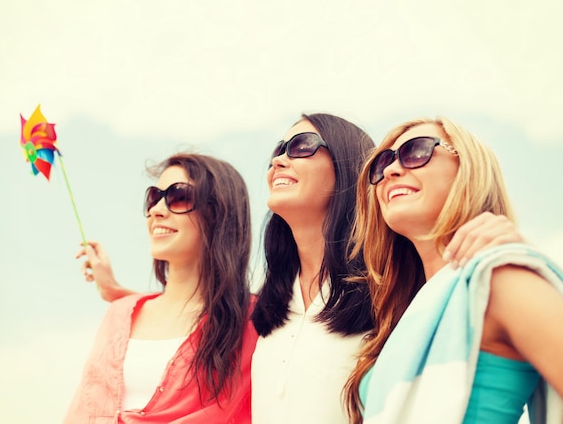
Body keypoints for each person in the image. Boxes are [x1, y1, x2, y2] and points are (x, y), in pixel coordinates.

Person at [84, 114, 525, 424]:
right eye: (278, 149)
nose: (278, 159)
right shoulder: (266, 310)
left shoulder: (389, 291)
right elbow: (192, 314)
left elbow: (455, 297)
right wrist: (118, 293)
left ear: (350, 167)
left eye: (301, 146)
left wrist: (502, 239)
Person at [344, 117, 563, 423]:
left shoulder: (498, 278)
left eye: (416, 151)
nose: (391, 171)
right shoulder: (409, 312)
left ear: (469, 170)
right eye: (382, 163)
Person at [63, 153, 258, 424]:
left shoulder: (253, 321)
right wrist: (115, 290)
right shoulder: (119, 313)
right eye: (154, 197)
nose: (157, 210)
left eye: (179, 196)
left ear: (218, 212)